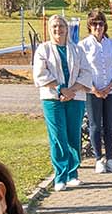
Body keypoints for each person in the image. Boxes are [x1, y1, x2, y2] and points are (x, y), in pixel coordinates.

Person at [33, 14, 93, 191]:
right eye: (54, 27)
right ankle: (60, 175)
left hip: (75, 97)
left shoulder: (77, 50)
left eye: (61, 26)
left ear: (67, 29)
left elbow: (86, 72)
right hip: (52, 99)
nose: (58, 30)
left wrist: (72, 90)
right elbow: (40, 74)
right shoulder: (43, 50)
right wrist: (60, 89)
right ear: (50, 30)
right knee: (58, 136)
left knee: (73, 135)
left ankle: (73, 173)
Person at [79, 10, 112, 175]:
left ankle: (111, 158)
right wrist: (94, 89)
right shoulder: (83, 46)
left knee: (109, 125)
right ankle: (99, 159)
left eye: (100, 23)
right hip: (92, 92)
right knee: (95, 125)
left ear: (105, 25)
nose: (97, 27)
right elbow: (82, 69)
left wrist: (111, 85)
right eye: (94, 24)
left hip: (111, 91)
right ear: (89, 26)